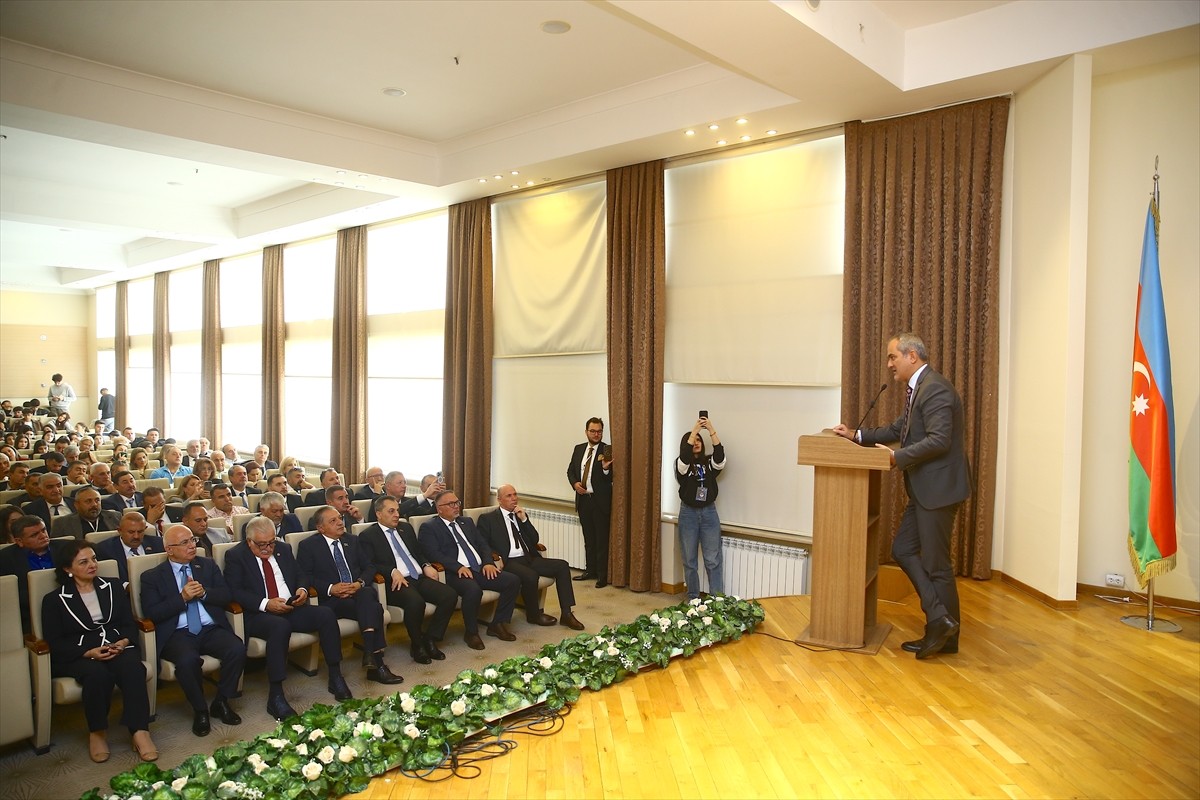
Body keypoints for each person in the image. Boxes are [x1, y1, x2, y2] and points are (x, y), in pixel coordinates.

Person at [833, 333, 970, 660]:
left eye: (893, 357)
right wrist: (856, 435)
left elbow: (939, 440)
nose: (889, 364)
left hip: (938, 490)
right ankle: (939, 620)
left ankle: (945, 635)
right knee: (903, 549)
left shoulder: (934, 389)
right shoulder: (918, 389)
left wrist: (897, 457)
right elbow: (898, 430)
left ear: (912, 356)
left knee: (937, 566)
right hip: (925, 490)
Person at [223, 516, 351, 720]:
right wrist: (266, 603)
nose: (268, 548)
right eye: (262, 544)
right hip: (259, 614)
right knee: (279, 626)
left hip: (291, 607)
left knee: (325, 614)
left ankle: (335, 676)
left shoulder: (283, 548)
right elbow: (235, 591)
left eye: (271, 542)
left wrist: (302, 590)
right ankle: (276, 695)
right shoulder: (236, 556)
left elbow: (301, 575)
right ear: (249, 542)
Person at [41, 539, 157, 763]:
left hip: (116, 645)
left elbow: (128, 623)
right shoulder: (54, 600)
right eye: (83, 562)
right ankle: (97, 732)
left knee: (133, 669)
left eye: (94, 559)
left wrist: (123, 642)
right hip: (80, 653)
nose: (92, 565)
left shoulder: (112, 586)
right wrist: (88, 652)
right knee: (97, 675)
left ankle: (140, 731)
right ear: (67, 569)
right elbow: (55, 641)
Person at [141, 524, 245, 737]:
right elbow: (153, 613)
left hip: (209, 628)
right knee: (187, 661)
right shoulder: (152, 576)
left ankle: (221, 701)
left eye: (192, 540)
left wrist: (205, 593)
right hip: (178, 633)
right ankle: (200, 710)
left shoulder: (207, 565)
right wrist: (182, 598)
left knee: (236, 649)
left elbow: (226, 595)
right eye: (184, 542)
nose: (192, 546)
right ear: (169, 549)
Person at [296, 506, 403, 685]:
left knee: (367, 593)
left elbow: (369, 567)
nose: (340, 523)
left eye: (340, 518)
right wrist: (331, 588)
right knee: (375, 608)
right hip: (332, 600)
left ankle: (371, 656)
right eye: (333, 521)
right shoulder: (308, 546)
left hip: (357, 593)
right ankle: (376, 663)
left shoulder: (352, 540)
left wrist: (359, 583)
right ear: (320, 528)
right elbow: (306, 576)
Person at [358, 495, 457, 664]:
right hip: (396, 582)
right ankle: (417, 645)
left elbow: (418, 552)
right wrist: (391, 571)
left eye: (397, 510)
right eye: (391, 511)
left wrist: (426, 565)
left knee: (449, 595)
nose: (397, 514)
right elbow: (369, 564)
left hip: (417, 576)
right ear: (379, 514)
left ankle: (431, 638)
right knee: (416, 602)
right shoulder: (368, 535)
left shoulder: (406, 528)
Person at [418, 489, 521, 650]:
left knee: (512, 580)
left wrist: (488, 562)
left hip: (479, 568)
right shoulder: (430, 527)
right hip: (454, 573)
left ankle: (498, 624)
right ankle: (471, 633)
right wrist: (457, 566)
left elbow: (482, 544)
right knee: (473, 590)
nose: (456, 506)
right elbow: (433, 553)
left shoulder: (466, 522)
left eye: (457, 502)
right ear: (439, 509)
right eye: (451, 504)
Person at [479, 484, 585, 630]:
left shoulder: (520, 515)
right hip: (508, 561)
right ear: (499, 499)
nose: (514, 498)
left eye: (515, 494)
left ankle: (566, 614)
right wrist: (494, 557)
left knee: (562, 566)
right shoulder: (488, 519)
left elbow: (534, 539)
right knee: (530, 575)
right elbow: (482, 544)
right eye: (509, 496)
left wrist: (524, 520)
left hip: (528, 557)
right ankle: (533, 615)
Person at [675, 417, 727, 600]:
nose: (696, 442)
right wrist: (694, 430)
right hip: (688, 513)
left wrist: (710, 429)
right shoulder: (681, 464)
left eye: (699, 440)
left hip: (709, 513)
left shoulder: (709, 462)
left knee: (713, 559)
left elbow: (720, 458)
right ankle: (693, 598)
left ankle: (716, 599)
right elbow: (684, 458)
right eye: (693, 440)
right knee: (689, 560)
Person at [0, 515, 71, 633]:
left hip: (68, 606)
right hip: (28, 615)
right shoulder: (5, 559)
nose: (43, 536)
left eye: (43, 530)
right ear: (19, 541)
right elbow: (9, 597)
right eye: (34, 535)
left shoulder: (66, 548)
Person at [566, 417, 614, 588]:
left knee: (601, 540)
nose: (596, 434)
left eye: (599, 431)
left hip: (599, 502)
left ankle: (602, 575)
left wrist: (606, 468)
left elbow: (610, 477)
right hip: (583, 501)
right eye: (593, 431)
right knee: (589, 539)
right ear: (586, 432)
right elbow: (571, 471)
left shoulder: (607, 450)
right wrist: (575, 484)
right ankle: (590, 570)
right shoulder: (579, 449)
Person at [94, 512, 164, 584]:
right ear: (120, 531)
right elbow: (105, 579)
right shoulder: (104, 549)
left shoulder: (158, 544)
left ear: (145, 529)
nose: (136, 536)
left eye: (140, 531)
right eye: (131, 532)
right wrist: (126, 586)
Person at [54, 486, 123, 539]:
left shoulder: (115, 517)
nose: (94, 504)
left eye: (97, 500)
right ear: (76, 505)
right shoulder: (62, 524)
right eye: (88, 501)